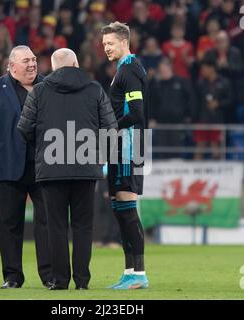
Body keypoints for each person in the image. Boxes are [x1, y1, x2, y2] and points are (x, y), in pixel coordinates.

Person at [18, 48, 117, 290]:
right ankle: (82, 281)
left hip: (51, 170)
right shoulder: (94, 89)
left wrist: (43, 146)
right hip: (86, 169)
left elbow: (24, 128)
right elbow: (110, 128)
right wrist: (97, 155)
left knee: (56, 226)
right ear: (75, 63)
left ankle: (60, 281)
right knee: (84, 226)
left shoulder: (40, 91)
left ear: (53, 68)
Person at [0, 45, 51, 289]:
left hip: (44, 167)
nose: (32, 64)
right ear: (12, 65)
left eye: (34, 59)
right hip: (7, 166)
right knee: (8, 225)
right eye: (26, 60)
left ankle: (50, 276)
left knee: (47, 223)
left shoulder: (50, 86)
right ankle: (12, 277)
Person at [101, 21, 149, 290]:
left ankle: (139, 275)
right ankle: (130, 271)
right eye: (104, 44)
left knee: (127, 211)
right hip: (124, 146)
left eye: (110, 43)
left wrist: (110, 127)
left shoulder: (129, 70)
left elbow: (137, 113)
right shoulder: (126, 68)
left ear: (124, 42)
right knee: (121, 209)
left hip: (128, 147)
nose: (106, 48)